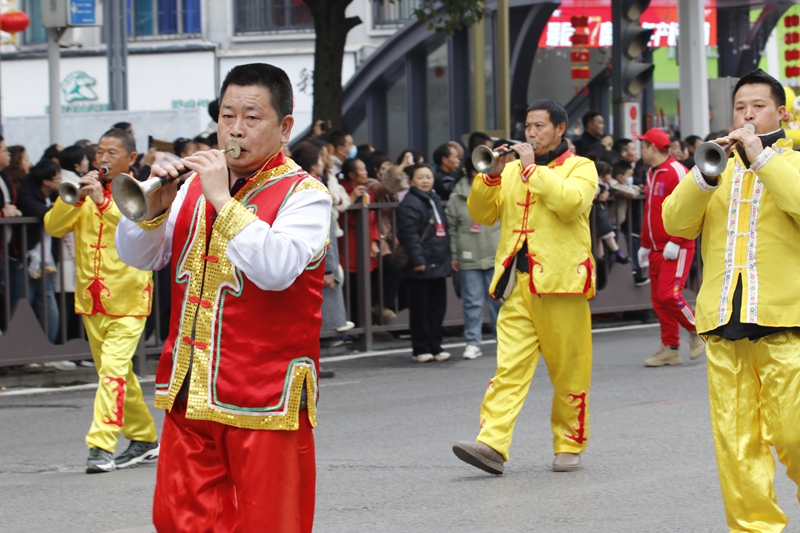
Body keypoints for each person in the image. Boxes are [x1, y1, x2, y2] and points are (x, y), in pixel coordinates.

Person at [116, 63, 330, 532]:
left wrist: (222, 200)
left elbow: (276, 269)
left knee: (271, 523)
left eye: (252, 117)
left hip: (265, 397)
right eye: (227, 115)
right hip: (189, 388)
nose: (235, 129)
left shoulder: (307, 195)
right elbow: (137, 255)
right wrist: (153, 209)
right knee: (178, 519)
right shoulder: (191, 185)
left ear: (284, 126)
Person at [663, 68, 800, 533]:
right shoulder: (715, 165)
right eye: (740, 107)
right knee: (737, 445)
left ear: (780, 112)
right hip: (722, 322)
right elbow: (675, 224)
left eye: (757, 106)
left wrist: (763, 158)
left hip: (788, 322)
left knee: (793, 434)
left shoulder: (793, 159)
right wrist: (701, 176)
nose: (746, 114)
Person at [452, 99, 597, 474]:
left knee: (569, 370)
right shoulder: (512, 170)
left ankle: (568, 443)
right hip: (517, 283)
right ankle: (492, 444)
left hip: (564, 284)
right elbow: (481, 215)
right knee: (508, 368)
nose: (531, 133)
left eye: (540, 126)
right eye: (528, 126)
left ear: (560, 129)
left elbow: (570, 204)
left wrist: (532, 168)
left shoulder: (582, 167)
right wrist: (492, 176)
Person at [44, 128, 158, 473]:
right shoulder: (83, 192)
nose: (103, 160)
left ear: (131, 159)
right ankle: (144, 438)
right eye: (99, 154)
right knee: (119, 372)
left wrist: (102, 201)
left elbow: (139, 227)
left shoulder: (145, 189)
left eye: (111, 153)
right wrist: (75, 198)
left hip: (128, 298)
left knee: (111, 372)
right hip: (91, 300)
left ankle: (100, 446)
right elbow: (53, 226)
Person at [635, 127, 705, 366]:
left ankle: (697, 330)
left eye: (643, 145)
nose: (640, 149)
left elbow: (691, 209)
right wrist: (645, 245)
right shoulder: (653, 172)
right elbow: (649, 212)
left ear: (652, 148)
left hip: (677, 247)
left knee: (669, 295)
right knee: (659, 300)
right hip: (657, 248)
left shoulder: (677, 171)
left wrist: (677, 240)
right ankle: (670, 348)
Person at [445, 157, 501, 360]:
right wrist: (454, 254)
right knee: (472, 302)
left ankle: (503, 342)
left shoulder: (498, 188)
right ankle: (472, 342)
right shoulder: (457, 196)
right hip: (468, 255)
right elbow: (451, 227)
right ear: (469, 170)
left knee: (499, 302)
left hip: (495, 253)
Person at [396, 163, 452, 363]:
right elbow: (409, 235)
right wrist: (418, 260)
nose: (425, 181)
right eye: (420, 177)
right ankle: (420, 348)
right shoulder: (409, 203)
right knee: (420, 309)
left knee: (437, 308)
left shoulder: (434, 199)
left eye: (428, 177)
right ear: (412, 180)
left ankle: (436, 346)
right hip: (420, 263)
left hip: (438, 260)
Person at [16, 161, 62, 348]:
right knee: (22, 307)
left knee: (50, 309)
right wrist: (58, 209)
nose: (61, 181)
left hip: (45, 261)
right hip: (26, 260)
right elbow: (46, 215)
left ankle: (47, 350)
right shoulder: (27, 195)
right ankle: (26, 353)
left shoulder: (53, 196)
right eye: (57, 178)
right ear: (46, 182)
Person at [338, 157, 381, 326]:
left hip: (367, 248)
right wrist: (352, 199)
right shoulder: (342, 192)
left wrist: (375, 241)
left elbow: (374, 219)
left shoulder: (367, 191)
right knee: (351, 291)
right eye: (362, 170)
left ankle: (367, 325)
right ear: (351, 174)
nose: (366, 172)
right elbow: (340, 220)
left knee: (367, 289)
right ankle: (354, 327)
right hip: (349, 251)